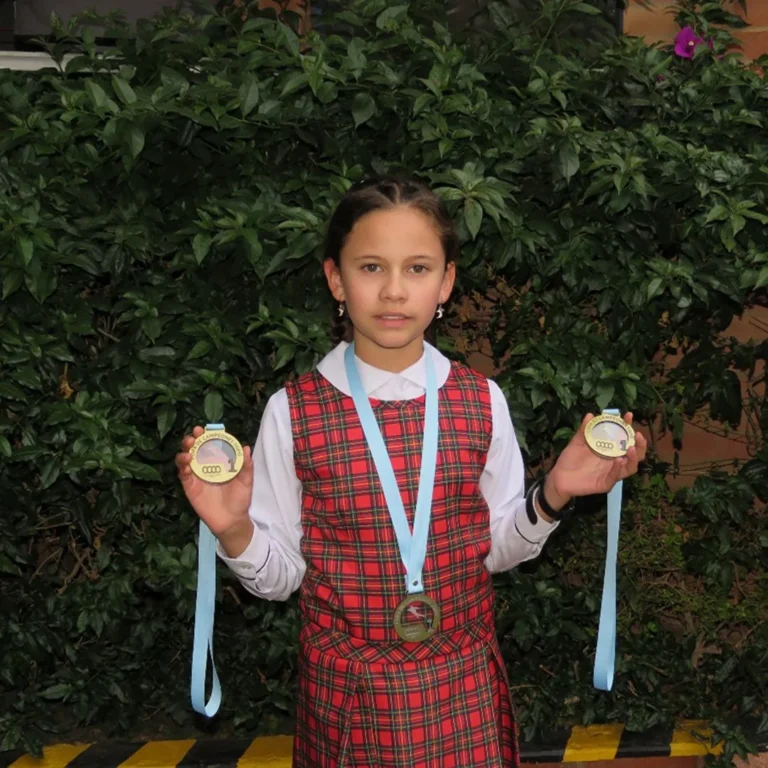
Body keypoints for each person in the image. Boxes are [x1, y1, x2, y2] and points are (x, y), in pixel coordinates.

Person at [176, 177, 647, 768]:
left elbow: (497, 548)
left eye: (418, 268)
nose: (394, 291)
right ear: (335, 280)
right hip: (347, 699)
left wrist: (553, 493)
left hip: (463, 690)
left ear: (446, 281)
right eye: (371, 267)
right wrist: (233, 530)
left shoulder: (481, 401)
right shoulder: (292, 411)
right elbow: (284, 577)